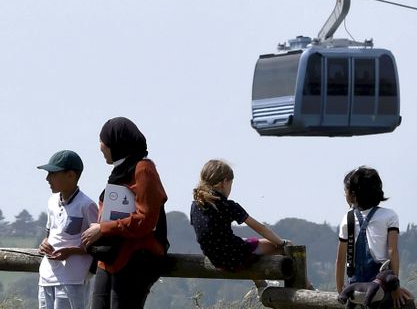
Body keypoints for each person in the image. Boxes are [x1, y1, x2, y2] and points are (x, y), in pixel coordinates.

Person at [81, 117, 169, 309]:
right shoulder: (121, 169)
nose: (100, 146)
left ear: (117, 142)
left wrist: (103, 229)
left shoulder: (143, 169)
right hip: (110, 258)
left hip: (134, 258)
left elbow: (145, 220)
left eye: (104, 140)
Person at [190, 159, 292, 288]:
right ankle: (306, 286)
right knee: (284, 248)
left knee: (244, 242)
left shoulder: (196, 206)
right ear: (224, 182)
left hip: (215, 259)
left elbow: (208, 234)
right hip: (235, 256)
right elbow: (260, 228)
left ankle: (261, 284)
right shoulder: (228, 205)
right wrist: (282, 242)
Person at [335, 166, 413, 308]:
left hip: (355, 286)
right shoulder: (389, 216)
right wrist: (395, 287)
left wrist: (341, 290)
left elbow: (340, 260)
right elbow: (392, 251)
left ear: (353, 194)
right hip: (381, 285)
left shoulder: (348, 218)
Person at [37, 149, 99, 309]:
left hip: (73, 278)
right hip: (46, 276)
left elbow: (98, 246)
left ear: (71, 175)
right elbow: (49, 234)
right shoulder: (51, 201)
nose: (47, 179)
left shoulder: (87, 205)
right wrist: (45, 243)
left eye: (53, 174)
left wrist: (72, 251)